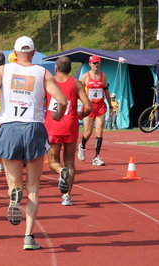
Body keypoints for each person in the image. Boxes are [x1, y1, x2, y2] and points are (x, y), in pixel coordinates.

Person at [0, 36, 67, 250]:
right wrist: (58, 115)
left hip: (9, 127)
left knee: (13, 181)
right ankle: (29, 236)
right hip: (34, 128)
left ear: (14, 51)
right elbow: (62, 100)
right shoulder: (43, 73)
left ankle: (13, 194)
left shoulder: (3, 70)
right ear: (35, 52)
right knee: (34, 187)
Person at [45, 56, 92, 206]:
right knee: (70, 160)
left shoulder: (48, 82)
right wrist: (82, 114)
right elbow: (89, 107)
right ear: (71, 69)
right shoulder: (76, 83)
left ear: (56, 69)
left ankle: (61, 172)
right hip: (70, 125)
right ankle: (67, 196)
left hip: (53, 125)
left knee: (53, 161)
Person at [78, 55, 113, 166]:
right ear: (90, 64)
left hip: (100, 106)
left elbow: (107, 91)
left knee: (99, 131)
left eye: (98, 63)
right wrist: (80, 102)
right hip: (89, 107)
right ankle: (82, 146)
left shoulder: (104, 76)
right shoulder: (85, 77)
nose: (96, 65)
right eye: (94, 63)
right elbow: (78, 91)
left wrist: (111, 106)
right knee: (88, 133)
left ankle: (96, 157)